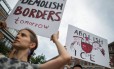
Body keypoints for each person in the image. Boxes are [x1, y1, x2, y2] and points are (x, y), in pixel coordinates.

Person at [0, 20, 71, 69]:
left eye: (23, 35)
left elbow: (65, 57)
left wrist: (55, 39)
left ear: (32, 45)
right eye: (18, 34)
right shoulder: (2, 59)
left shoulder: (34, 67)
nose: (17, 36)